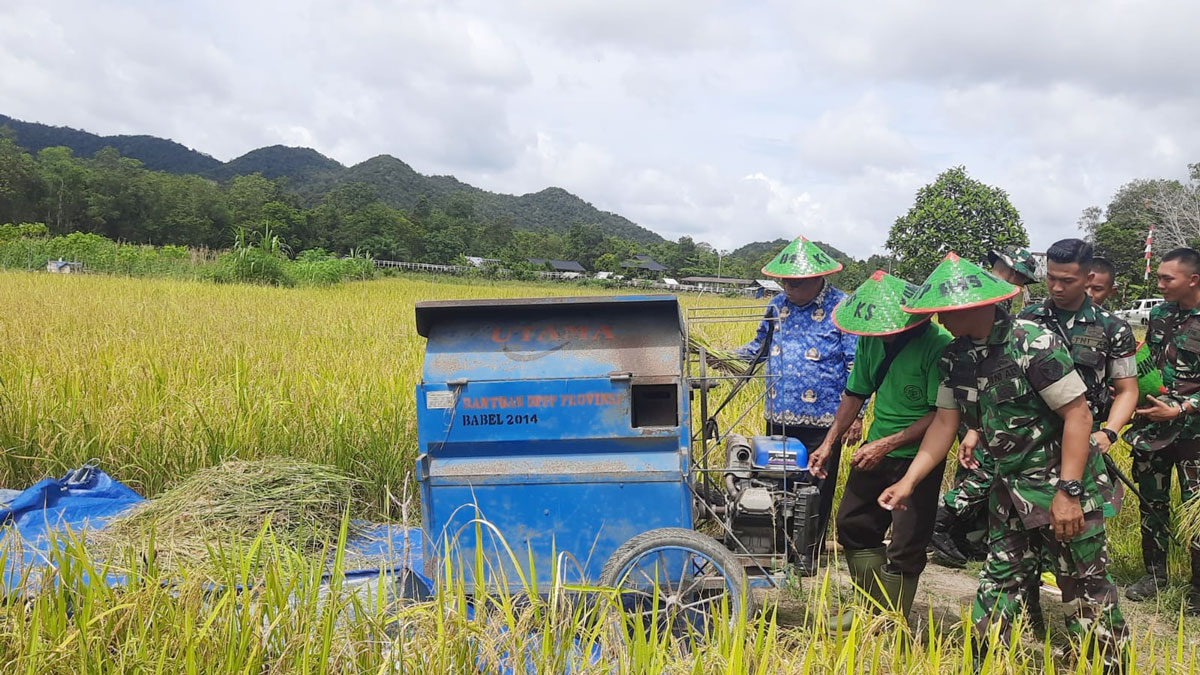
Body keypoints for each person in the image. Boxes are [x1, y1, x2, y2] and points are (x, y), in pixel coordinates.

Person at [878, 252, 1128, 671]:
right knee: (998, 583)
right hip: (1009, 493)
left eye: (944, 310)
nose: (938, 319)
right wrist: (909, 481)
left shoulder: (1032, 341)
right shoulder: (954, 357)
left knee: (1085, 590)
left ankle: (1108, 666)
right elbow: (944, 422)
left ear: (974, 306)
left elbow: (1079, 415)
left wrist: (1068, 492)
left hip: (1061, 490)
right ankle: (985, 665)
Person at [808, 270, 952, 629]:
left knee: (906, 543)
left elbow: (940, 415)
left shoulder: (938, 344)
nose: (883, 332)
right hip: (876, 448)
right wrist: (828, 443)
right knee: (853, 526)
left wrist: (888, 444)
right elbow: (855, 394)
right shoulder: (871, 341)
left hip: (918, 456)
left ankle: (891, 618)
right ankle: (872, 607)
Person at [1014, 238, 1138, 628]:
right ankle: (1025, 616)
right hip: (1028, 449)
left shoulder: (1112, 328)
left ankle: (1092, 639)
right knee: (1020, 547)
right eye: (1050, 278)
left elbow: (1127, 389)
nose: (1056, 287)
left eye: (1067, 280)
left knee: (1078, 549)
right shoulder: (1027, 320)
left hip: (1081, 449)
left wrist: (1111, 433)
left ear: (1089, 278)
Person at [737, 235, 859, 575]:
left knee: (814, 489)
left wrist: (857, 416)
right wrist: (717, 357)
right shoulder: (777, 305)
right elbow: (757, 348)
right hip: (779, 417)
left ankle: (806, 556)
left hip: (825, 422)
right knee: (774, 485)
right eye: (785, 281)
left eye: (796, 282)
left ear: (819, 279)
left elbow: (855, 364)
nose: (789, 286)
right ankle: (775, 550)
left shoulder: (841, 308)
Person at [930, 245, 1045, 565]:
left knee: (982, 465)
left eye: (1022, 279)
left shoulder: (1008, 302)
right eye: (1016, 275)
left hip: (992, 396)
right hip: (972, 388)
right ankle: (948, 526)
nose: (1018, 283)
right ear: (1002, 267)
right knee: (980, 464)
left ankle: (968, 535)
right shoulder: (977, 290)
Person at [1123, 247, 1200, 614]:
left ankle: (1198, 586)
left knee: (1195, 509)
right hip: (1152, 427)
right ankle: (1155, 575)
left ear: (1193, 279)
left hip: (1193, 434)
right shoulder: (1160, 314)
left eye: (1167, 279)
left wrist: (1183, 407)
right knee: (1150, 502)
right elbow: (1149, 360)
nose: (1160, 284)